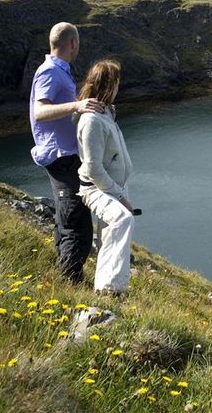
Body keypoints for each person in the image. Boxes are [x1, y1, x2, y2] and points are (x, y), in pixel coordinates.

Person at [30, 22, 103, 283]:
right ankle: (70, 282)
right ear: (72, 43)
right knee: (77, 225)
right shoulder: (49, 72)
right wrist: (76, 106)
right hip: (60, 156)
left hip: (66, 155)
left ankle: (66, 276)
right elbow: (40, 111)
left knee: (69, 219)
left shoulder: (60, 70)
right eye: (78, 43)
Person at [76, 59, 134, 295]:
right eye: (117, 82)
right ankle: (111, 288)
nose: (119, 87)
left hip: (113, 185)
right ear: (109, 85)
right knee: (122, 219)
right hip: (96, 188)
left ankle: (104, 289)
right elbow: (93, 168)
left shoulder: (106, 112)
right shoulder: (91, 120)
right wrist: (120, 197)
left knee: (109, 233)